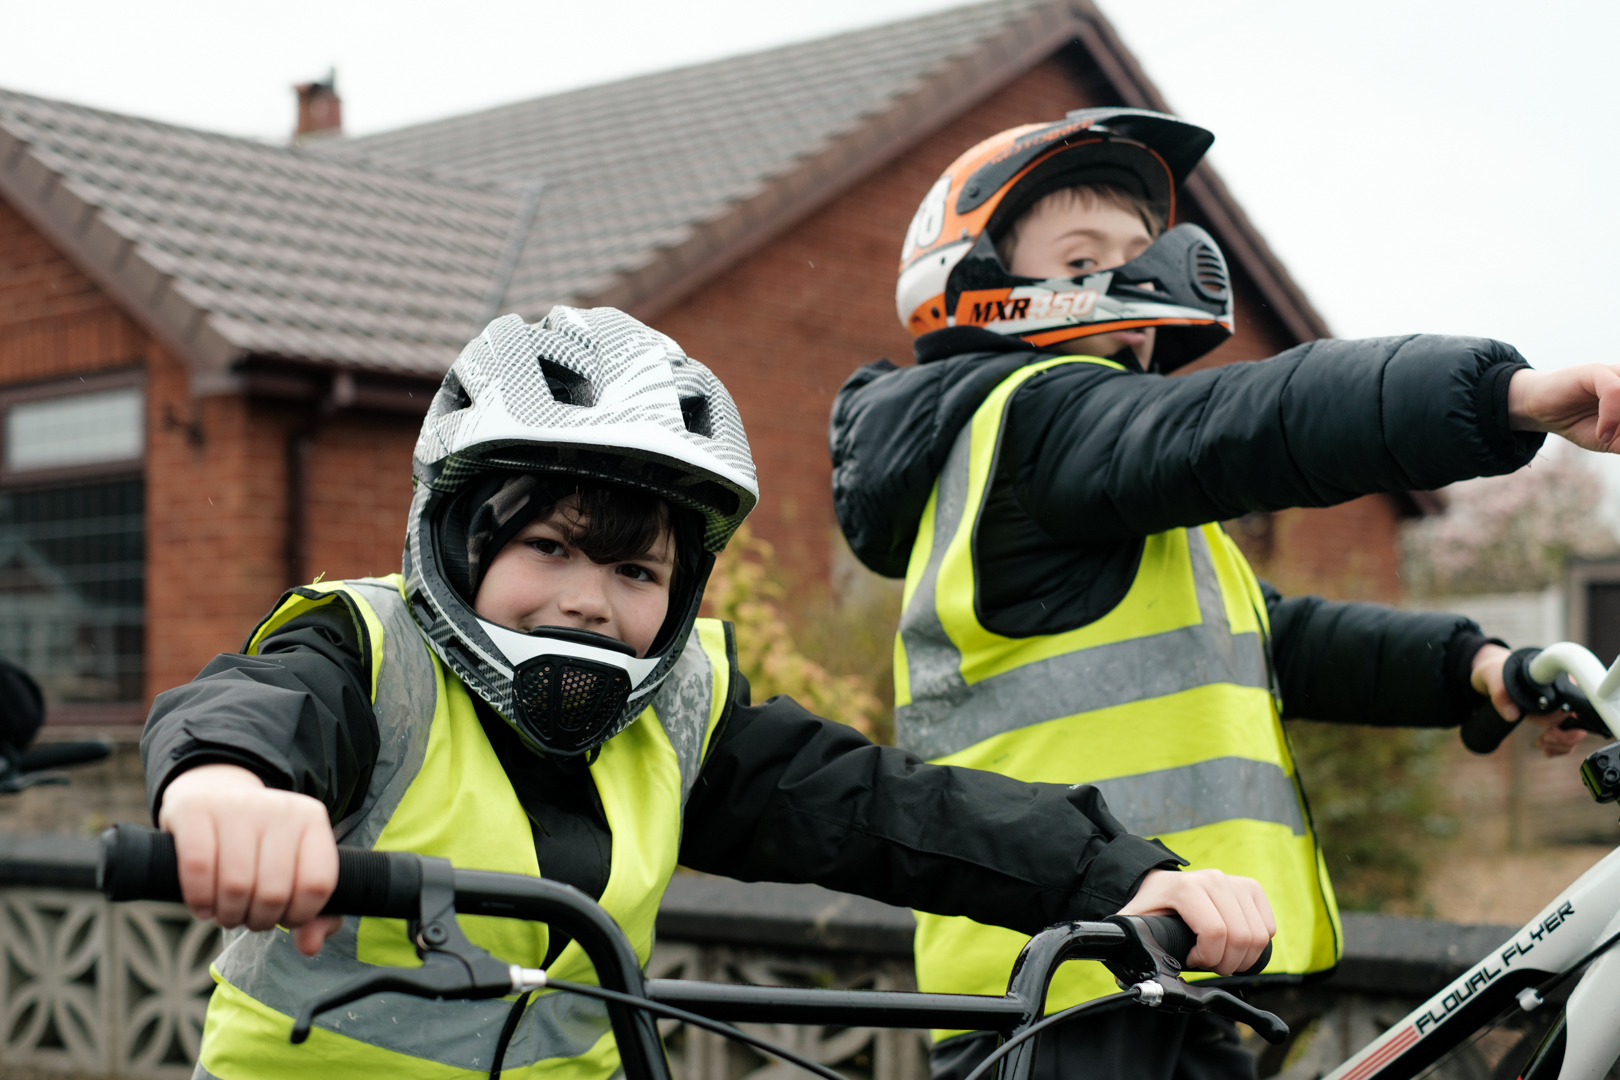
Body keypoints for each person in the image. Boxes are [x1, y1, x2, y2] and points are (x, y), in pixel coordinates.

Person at [142, 306, 1274, 1080]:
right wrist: (230, 789)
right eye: (548, 546)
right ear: (454, 537)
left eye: (636, 570)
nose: (589, 602)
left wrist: (1131, 875)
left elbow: (886, 808)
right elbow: (253, 708)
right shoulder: (367, 655)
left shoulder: (679, 711)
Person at [829, 106, 1619, 1080]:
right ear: (980, 290)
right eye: (1083, 259)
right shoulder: (1035, 429)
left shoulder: (1086, 483)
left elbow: (1266, 640)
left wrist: (1476, 668)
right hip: (1074, 986)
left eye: (1135, 250)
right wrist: (1502, 396)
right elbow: (1249, 417)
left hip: (1151, 967)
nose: (1129, 276)